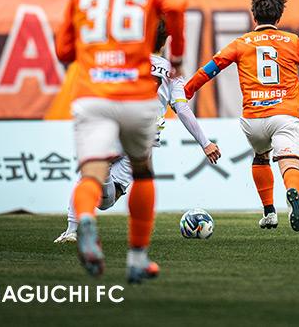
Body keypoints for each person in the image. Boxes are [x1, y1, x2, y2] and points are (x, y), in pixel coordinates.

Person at [55, 0, 187, 281]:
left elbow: (63, 51)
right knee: (142, 172)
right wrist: (177, 57)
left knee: (92, 172)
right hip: (136, 94)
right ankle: (137, 258)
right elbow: (177, 6)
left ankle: (83, 220)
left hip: (93, 93)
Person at [54, 19, 220, 243]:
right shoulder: (172, 72)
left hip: (116, 128)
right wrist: (205, 143)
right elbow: (181, 108)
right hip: (142, 140)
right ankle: (87, 212)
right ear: (165, 42)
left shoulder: (126, 61)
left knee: (95, 184)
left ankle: (73, 228)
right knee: (107, 199)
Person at [184, 0, 299, 231]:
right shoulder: (291, 41)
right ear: (279, 16)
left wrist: (187, 91)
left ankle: (269, 213)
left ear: (254, 15)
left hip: (253, 119)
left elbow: (211, 68)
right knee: (289, 162)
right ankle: (292, 192)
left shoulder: (241, 43)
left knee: (261, 156)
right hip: (284, 115)